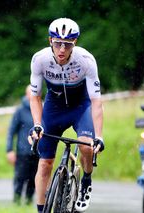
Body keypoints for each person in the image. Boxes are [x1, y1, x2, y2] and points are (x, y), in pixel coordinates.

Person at [28, 18, 104, 213]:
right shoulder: (40, 59)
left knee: (85, 144)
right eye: (57, 43)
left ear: (74, 43)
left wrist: (99, 137)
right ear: (50, 41)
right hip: (54, 107)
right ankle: (41, 209)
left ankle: (86, 181)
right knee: (45, 163)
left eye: (68, 44)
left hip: (81, 106)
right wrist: (37, 125)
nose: (62, 49)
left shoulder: (86, 61)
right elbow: (35, 97)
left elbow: (96, 102)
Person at [6, 85, 39, 205]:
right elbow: (11, 131)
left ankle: (29, 201)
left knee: (33, 178)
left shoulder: (42, 109)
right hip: (22, 151)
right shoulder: (20, 111)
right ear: (26, 95)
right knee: (20, 177)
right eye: (31, 93)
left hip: (37, 151)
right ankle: (17, 200)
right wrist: (9, 149)